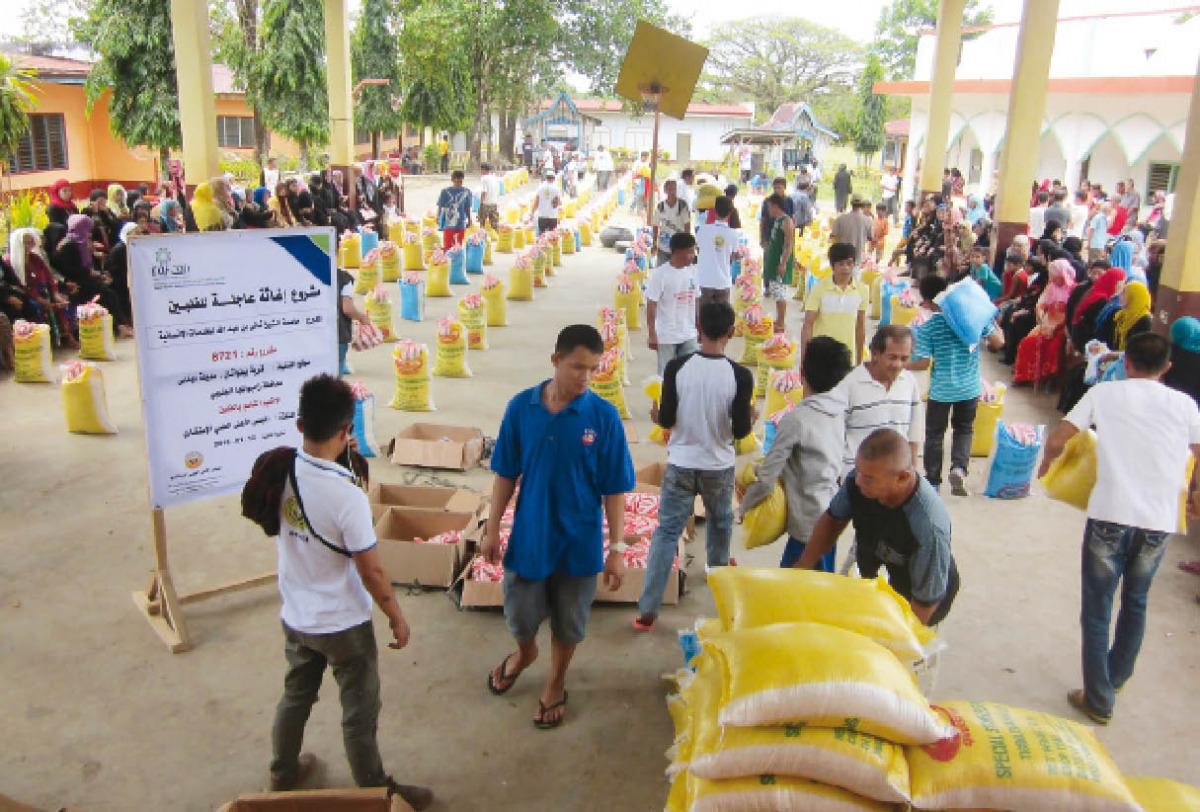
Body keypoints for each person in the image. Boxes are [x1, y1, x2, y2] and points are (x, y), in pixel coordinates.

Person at [258, 374, 432, 808]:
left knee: (296, 695)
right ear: (346, 431)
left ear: (299, 425)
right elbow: (371, 570)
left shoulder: (278, 468)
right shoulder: (346, 495)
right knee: (359, 712)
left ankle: (282, 771)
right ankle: (374, 788)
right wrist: (395, 614)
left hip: (296, 614)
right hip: (342, 623)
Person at [1038, 333, 1200, 725]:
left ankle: (1098, 697)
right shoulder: (1185, 404)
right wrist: (1196, 495)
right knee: (1137, 600)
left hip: (1111, 513)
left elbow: (1060, 438)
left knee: (1098, 606)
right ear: (1167, 368)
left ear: (1126, 363)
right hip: (1159, 520)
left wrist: (1047, 464)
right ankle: (1115, 677)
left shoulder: (1106, 394)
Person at [483, 324, 635, 729]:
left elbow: (615, 489)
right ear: (555, 360)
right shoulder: (521, 409)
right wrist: (491, 527)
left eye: (594, 369)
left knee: (570, 622)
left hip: (579, 542)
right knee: (519, 613)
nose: (585, 377)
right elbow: (504, 474)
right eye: (577, 367)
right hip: (530, 537)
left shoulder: (603, 418)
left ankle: (555, 680)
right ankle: (526, 651)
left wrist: (616, 550)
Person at [635, 302, 754, 628]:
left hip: (681, 464)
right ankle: (717, 578)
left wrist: (656, 414)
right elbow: (742, 431)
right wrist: (752, 417)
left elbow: (668, 420)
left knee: (667, 531)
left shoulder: (677, 367)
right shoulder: (740, 375)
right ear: (731, 333)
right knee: (720, 522)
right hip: (718, 465)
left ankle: (647, 610)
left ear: (698, 328)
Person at [797, 428, 960, 626]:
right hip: (881, 564)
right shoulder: (858, 482)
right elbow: (832, 521)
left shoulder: (928, 527)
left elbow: (925, 602)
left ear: (902, 478)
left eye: (868, 478)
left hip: (922, 593)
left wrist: (900, 643)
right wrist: (803, 567)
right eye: (858, 471)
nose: (858, 480)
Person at [738, 336, 851, 572]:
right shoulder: (840, 414)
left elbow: (768, 478)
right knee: (820, 584)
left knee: (796, 591)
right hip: (831, 516)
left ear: (802, 371)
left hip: (807, 525)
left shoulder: (797, 420)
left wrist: (743, 507)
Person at [911, 284, 1005, 495]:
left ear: (931, 303)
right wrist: (992, 320)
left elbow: (923, 362)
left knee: (934, 434)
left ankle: (933, 481)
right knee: (964, 429)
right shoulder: (974, 320)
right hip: (969, 388)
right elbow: (999, 342)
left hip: (941, 391)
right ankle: (959, 468)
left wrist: (901, 363)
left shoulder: (930, 327)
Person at [1012, 258, 1076, 386]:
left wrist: (1057, 327)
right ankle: (1026, 377)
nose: (1052, 279)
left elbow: (1071, 314)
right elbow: (1041, 303)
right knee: (1027, 343)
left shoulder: (1073, 289)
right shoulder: (1051, 286)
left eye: (1055, 276)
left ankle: (1049, 380)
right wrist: (1040, 312)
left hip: (1062, 327)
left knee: (1054, 347)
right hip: (1046, 323)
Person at [801, 242, 868, 364]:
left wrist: (859, 361)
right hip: (821, 355)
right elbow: (808, 325)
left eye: (849, 263)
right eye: (841, 264)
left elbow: (860, 327)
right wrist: (805, 361)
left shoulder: (862, 290)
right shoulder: (819, 289)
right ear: (832, 266)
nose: (846, 268)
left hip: (847, 357)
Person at [647, 232, 700, 374]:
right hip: (666, 336)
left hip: (689, 334)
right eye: (691, 251)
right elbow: (651, 303)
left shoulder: (693, 272)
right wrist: (652, 333)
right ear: (679, 252)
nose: (693, 255)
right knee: (665, 376)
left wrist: (699, 326)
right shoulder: (661, 274)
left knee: (690, 373)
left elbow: (696, 299)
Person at [761, 193, 795, 333]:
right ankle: (778, 319)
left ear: (775, 206)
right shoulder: (777, 220)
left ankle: (781, 322)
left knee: (780, 293)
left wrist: (783, 263)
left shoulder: (786, 221)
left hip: (779, 262)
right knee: (776, 292)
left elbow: (789, 244)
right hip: (773, 260)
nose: (768, 210)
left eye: (769, 207)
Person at [695, 196, 735, 306]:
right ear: (730, 212)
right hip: (723, 281)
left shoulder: (702, 229)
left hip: (704, 280)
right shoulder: (733, 233)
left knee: (703, 317)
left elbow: (698, 249)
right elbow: (734, 255)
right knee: (722, 318)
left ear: (715, 210)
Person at [337, 267, 369, 376]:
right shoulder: (343, 278)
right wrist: (361, 317)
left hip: (315, 337)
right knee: (333, 383)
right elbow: (347, 309)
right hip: (338, 335)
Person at [653, 179, 691, 266]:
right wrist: (654, 242)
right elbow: (655, 225)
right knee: (661, 271)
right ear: (665, 190)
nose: (671, 191)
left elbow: (687, 225)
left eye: (673, 189)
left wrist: (686, 243)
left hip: (678, 246)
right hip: (663, 246)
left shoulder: (682, 205)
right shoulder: (661, 206)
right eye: (669, 189)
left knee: (677, 272)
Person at [435, 170, 472, 250]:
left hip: (461, 222)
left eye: (461, 180)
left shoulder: (466, 192)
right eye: (457, 180)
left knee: (458, 246)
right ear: (452, 180)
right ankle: (447, 261)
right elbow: (440, 206)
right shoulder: (445, 192)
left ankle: (457, 262)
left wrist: (469, 219)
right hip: (448, 222)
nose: (459, 182)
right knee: (447, 246)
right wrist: (437, 216)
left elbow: (467, 207)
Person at [758, 177, 793, 248]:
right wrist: (762, 238)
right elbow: (763, 220)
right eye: (775, 188)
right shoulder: (768, 201)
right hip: (769, 233)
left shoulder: (789, 201)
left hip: (784, 233)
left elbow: (792, 217)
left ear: (784, 188)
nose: (777, 190)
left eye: (779, 188)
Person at [534, 169, 562, 235]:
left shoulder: (540, 188)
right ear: (554, 178)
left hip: (542, 215)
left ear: (546, 178)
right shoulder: (556, 189)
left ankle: (542, 244)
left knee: (542, 235)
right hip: (552, 216)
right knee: (552, 236)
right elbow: (559, 202)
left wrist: (532, 212)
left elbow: (536, 202)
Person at [477, 164, 501, 232]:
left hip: (486, 203)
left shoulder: (484, 178)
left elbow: (484, 191)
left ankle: (482, 236)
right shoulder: (495, 178)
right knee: (494, 223)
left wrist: (481, 203)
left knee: (482, 222)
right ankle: (497, 237)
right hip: (494, 202)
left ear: (483, 170)